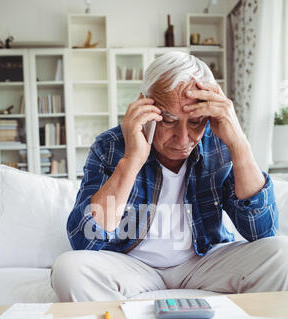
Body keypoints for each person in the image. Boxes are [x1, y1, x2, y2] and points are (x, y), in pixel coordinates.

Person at [51, 52, 288, 301]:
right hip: (133, 266)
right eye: (168, 120)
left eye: (196, 121)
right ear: (143, 106)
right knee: (69, 269)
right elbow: (84, 240)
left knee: (282, 254)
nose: (183, 138)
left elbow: (263, 233)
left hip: (204, 261)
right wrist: (132, 161)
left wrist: (239, 143)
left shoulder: (219, 142)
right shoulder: (110, 145)